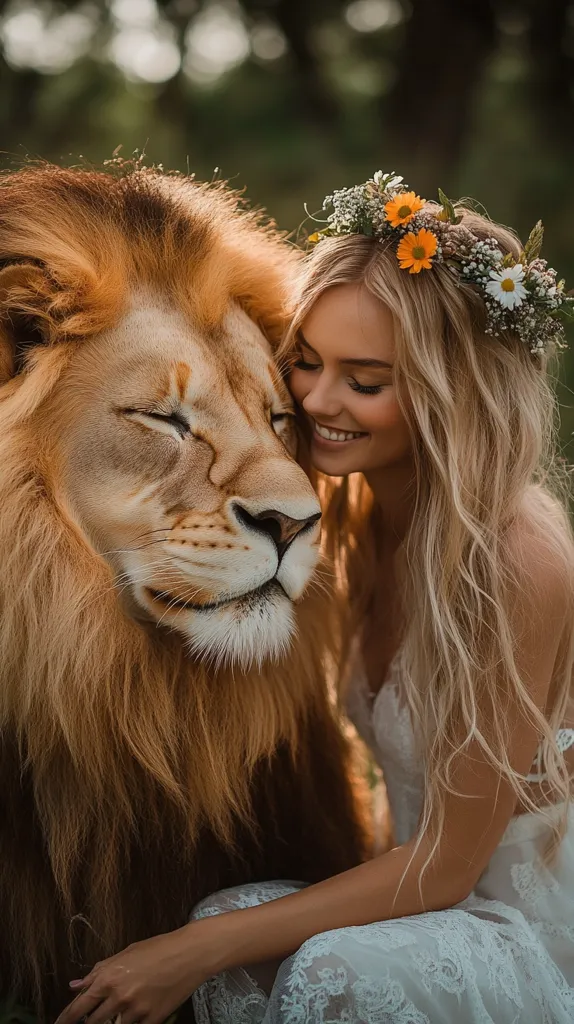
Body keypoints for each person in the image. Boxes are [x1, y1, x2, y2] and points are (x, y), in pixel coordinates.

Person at [56, 173, 574, 1024]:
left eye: (364, 381)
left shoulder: (518, 557)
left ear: (451, 390)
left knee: (302, 960)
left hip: (524, 923)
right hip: (425, 896)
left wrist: (188, 952)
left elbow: (448, 865)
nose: (315, 402)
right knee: (222, 915)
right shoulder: (354, 518)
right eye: (304, 362)